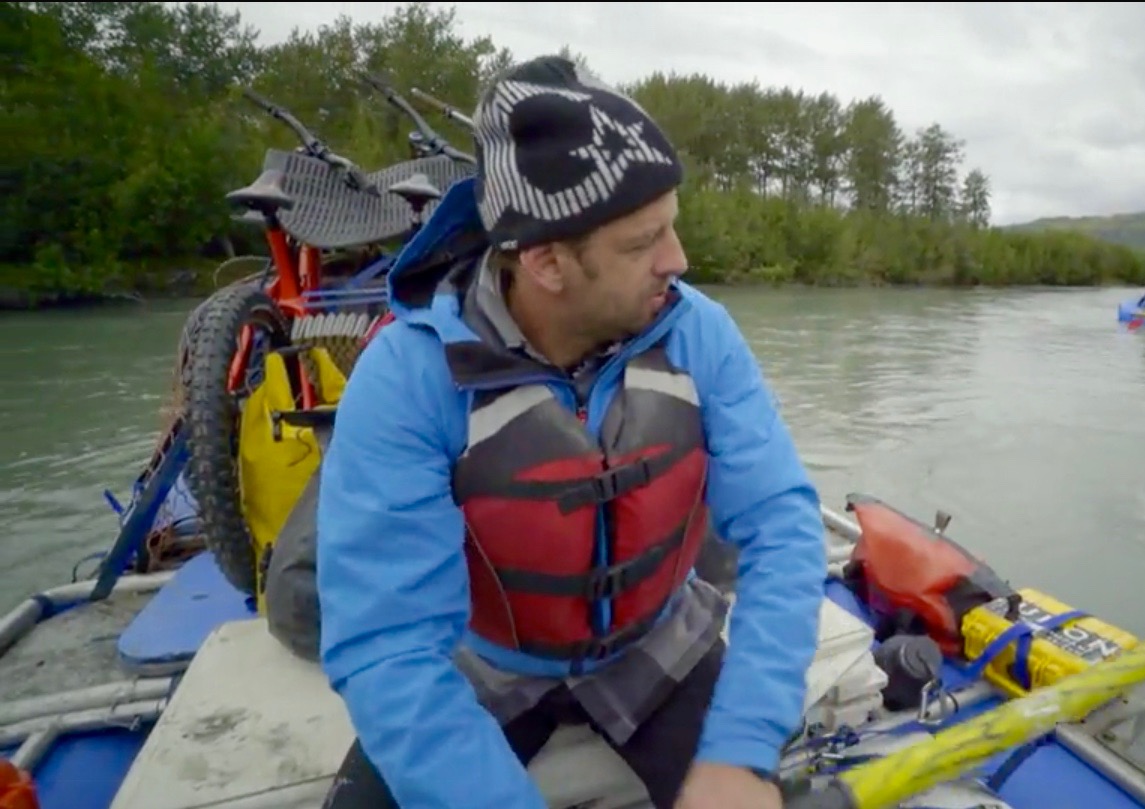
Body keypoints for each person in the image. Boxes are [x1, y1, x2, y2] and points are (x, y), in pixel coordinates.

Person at [314, 54, 827, 809]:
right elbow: (388, 645)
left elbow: (783, 526)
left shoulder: (700, 335)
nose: (678, 260)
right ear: (547, 262)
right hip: (484, 664)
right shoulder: (405, 378)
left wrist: (744, 746)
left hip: (658, 647)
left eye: (672, 226)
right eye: (642, 243)